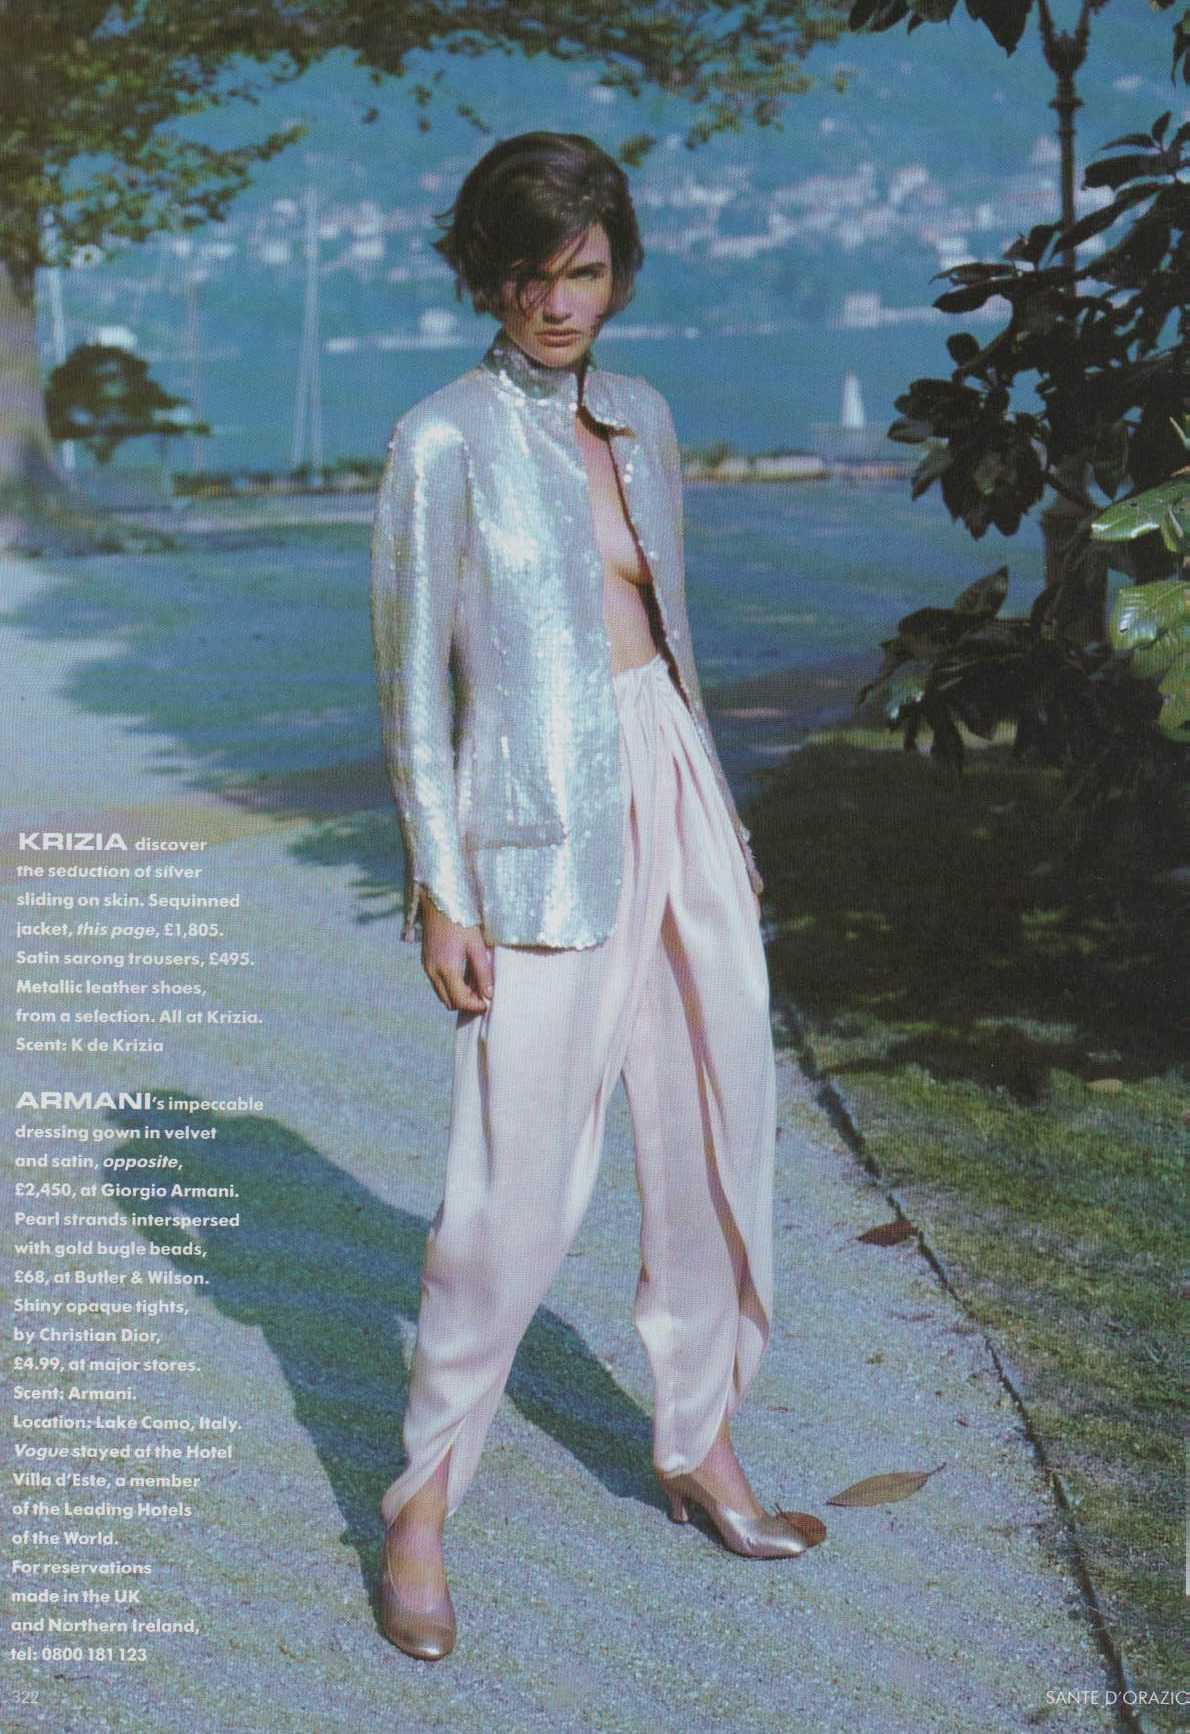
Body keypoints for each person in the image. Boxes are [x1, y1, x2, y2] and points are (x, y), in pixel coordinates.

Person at [368, 131, 822, 1663]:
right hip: (531, 830)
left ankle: (698, 1439)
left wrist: (718, 820)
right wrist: (441, 891)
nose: (558, 303)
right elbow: (410, 693)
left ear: (616, 270)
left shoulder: (642, 415)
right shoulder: (438, 440)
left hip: (674, 784)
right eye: (529, 274)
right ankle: (420, 1506)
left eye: (583, 271)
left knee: (714, 1123)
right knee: (509, 1188)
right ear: (484, 275)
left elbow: (670, 632)